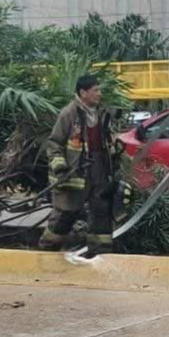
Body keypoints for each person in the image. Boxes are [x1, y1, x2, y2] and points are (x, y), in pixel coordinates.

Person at [39, 74, 122, 256]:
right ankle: (46, 254)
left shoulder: (102, 113)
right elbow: (53, 144)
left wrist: (115, 155)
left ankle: (100, 257)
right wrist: (60, 166)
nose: (99, 94)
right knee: (64, 216)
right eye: (96, 90)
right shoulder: (69, 113)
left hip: (100, 170)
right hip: (76, 173)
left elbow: (108, 141)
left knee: (101, 214)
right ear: (83, 93)